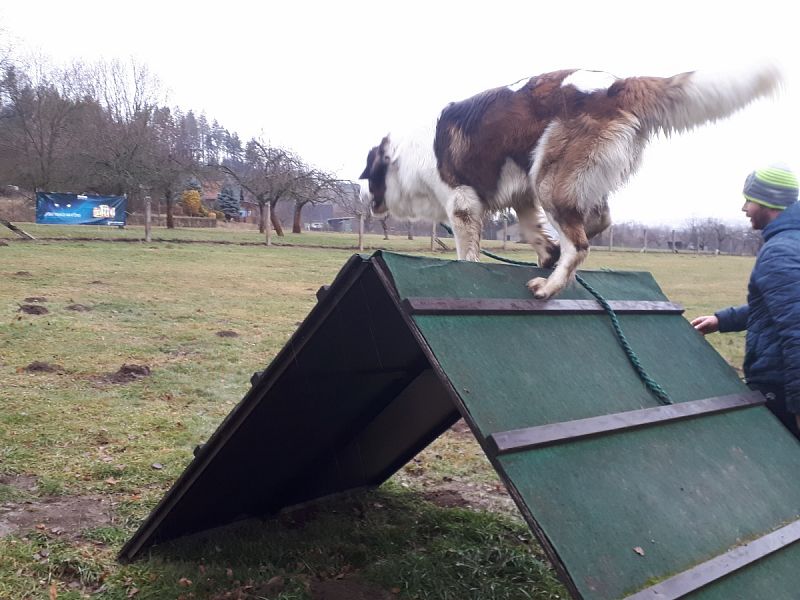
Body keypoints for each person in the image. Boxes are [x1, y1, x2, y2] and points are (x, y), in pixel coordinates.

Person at [691, 163, 800, 439]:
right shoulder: (792, 242)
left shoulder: (780, 252)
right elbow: (778, 307)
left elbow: (796, 329)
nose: (744, 208)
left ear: (767, 203)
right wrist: (724, 320)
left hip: (781, 388)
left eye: (749, 200)